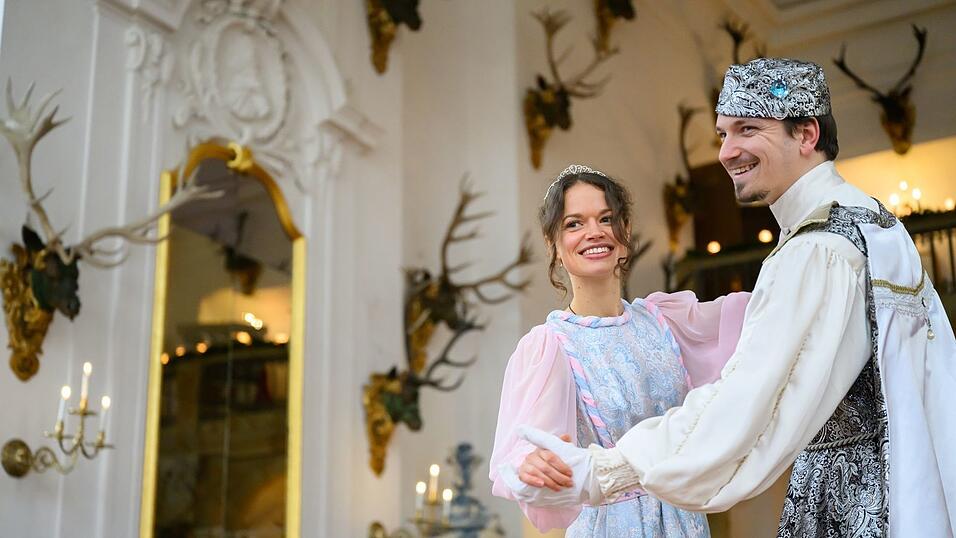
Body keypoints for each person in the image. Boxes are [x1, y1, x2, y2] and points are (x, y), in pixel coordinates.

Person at [501, 58, 956, 537]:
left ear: (806, 134)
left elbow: (745, 401)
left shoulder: (816, 249)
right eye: (722, 134)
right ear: (553, 243)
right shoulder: (874, 222)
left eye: (747, 129)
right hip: (903, 486)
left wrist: (605, 471)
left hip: (855, 501)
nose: (726, 152)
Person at [489, 164, 750, 536]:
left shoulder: (665, 320)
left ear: (625, 232)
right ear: (554, 245)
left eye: (606, 218)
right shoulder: (550, 346)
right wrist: (532, 466)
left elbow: (758, 315)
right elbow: (521, 454)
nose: (594, 232)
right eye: (574, 223)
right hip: (609, 525)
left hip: (684, 520)